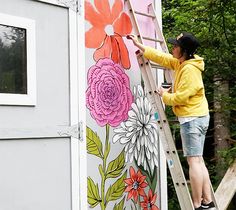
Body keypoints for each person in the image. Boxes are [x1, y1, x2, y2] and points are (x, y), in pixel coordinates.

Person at [127, 32, 216, 210]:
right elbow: (164, 58)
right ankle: (207, 201)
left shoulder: (189, 70)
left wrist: (164, 95)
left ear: (183, 50)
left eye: (176, 46)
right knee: (198, 161)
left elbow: (182, 97)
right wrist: (140, 46)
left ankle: (197, 204)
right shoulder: (184, 62)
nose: (173, 48)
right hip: (198, 116)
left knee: (194, 162)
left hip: (192, 118)